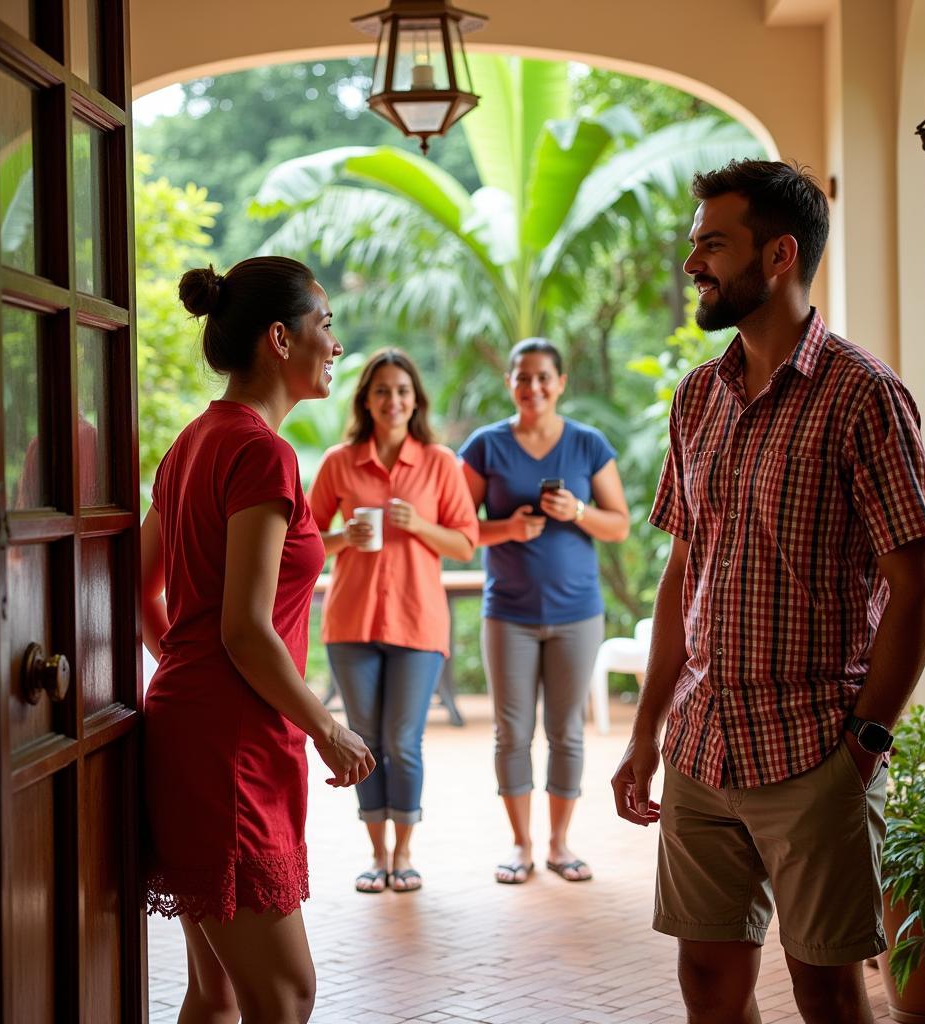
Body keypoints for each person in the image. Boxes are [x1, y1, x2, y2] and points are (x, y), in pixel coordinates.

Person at [611, 159, 925, 1024]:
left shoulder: (864, 395)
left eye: (713, 245)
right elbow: (687, 569)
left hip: (814, 748)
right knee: (707, 983)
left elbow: (918, 583)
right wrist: (647, 732)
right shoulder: (696, 399)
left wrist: (864, 739)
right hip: (703, 745)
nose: (692, 265)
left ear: (780, 255)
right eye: (695, 246)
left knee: (826, 989)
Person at [141, 256, 375, 1024]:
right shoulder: (261, 451)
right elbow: (244, 628)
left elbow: (145, 589)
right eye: (326, 324)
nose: (336, 344)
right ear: (281, 337)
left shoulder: (193, 442)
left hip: (201, 725)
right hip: (231, 743)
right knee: (284, 994)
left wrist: (182, 668)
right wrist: (327, 728)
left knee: (215, 997)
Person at [307, 348, 479, 893]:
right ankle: (376, 854)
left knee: (403, 742)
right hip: (352, 623)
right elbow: (303, 541)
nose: (393, 400)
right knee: (365, 740)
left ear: (415, 399)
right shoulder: (340, 461)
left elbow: (467, 543)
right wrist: (342, 538)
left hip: (417, 624)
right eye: (382, 390)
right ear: (366, 399)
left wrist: (421, 525)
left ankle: (404, 853)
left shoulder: (439, 462)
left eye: (402, 391)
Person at [460, 338, 630, 885]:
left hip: (577, 613)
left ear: (559, 383)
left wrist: (579, 511)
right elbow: (458, 532)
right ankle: (520, 843)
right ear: (508, 382)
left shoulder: (587, 444)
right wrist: (507, 528)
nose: (532, 387)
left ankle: (559, 844)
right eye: (522, 377)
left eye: (542, 378)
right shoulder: (485, 446)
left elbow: (620, 524)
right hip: (507, 612)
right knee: (511, 733)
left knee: (566, 733)